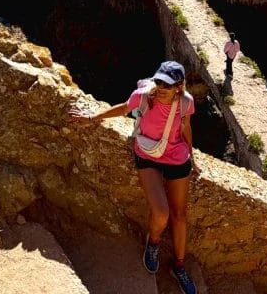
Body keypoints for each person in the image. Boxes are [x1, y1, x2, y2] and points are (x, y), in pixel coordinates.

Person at [72, 60, 199, 294]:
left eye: (167, 85)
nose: (160, 87)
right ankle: (153, 244)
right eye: (159, 81)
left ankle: (179, 267)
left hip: (176, 157)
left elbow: (185, 127)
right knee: (162, 212)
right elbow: (122, 108)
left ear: (179, 87)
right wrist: (92, 118)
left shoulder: (185, 103)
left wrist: (192, 156)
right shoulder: (143, 96)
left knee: (180, 216)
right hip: (148, 155)